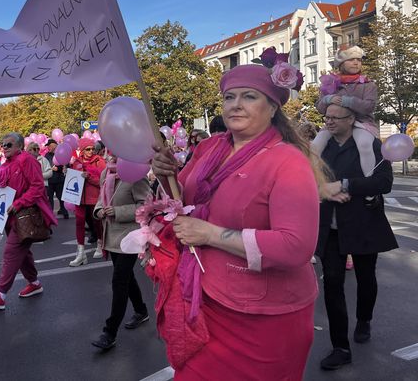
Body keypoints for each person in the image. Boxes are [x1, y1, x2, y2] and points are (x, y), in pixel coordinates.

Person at [151, 59, 322, 380]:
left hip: (265, 319)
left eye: (249, 96)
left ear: (273, 107)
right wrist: (166, 175)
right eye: (229, 97)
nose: (236, 105)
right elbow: (183, 202)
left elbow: (296, 246)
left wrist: (211, 235)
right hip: (207, 301)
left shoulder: (288, 161)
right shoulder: (208, 148)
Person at [316, 103, 396, 370]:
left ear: (351, 119)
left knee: (365, 277)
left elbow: (384, 182)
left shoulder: (370, 145)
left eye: (335, 118)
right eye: (326, 117)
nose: (329, 122)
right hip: (330, 227)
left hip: (362, 222)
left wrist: (346, 184)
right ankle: (340, 346)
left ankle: (364, 319)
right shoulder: (320, 146)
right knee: (333, 283)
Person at [0, 133, 57, 310]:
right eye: (3, 144)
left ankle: (0, 295)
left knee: (11, 252)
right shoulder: (6, 164)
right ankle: (35, 283)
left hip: (24, 215)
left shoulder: (26, 160)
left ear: (19, 146)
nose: (4, 147)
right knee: (23, 254)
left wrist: (19, 203)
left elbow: (37, 187)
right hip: (9, 216)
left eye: (9, 144)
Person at [91, 154, 152, 350]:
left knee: (119, 280)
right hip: (112, 235)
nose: (111, 155)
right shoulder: (106, 173)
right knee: (126, 277)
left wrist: (118, 211)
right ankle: (141, 310)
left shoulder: (135, 174)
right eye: (110, 151)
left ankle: (110, 332)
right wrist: (99, 211)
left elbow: (146, 206)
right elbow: (102, 199)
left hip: (130, 236)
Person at [312, 45, 378, 177]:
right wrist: (327, 99)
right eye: (351, 59)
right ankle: (312, 178)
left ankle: (369, 178)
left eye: (359, 60)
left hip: (362, 122)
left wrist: (347, 101)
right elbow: (320, 108)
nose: (356, 62)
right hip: (335, 123)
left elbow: (369, 106)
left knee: (364, 144)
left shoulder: (368, 84)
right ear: (341, 63)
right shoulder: (330, 83)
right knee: (315, 146)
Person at [69, 137, 106, 266]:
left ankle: (100, 243)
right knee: (79, 223)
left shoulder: (99, 161)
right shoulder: (77, 162)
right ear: (82, 150)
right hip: (79, 198)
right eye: (88, 149)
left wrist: (89, 177)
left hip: (94, 197)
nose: (91, 151)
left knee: (97, 222)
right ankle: (80, 253)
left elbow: (103, 182)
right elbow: (73, 179)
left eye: (93, 149)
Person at [44, 139, 69, 219]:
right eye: (47, 146)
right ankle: (50, 214)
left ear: (53, 145)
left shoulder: (60, 153)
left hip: (59, 180)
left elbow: (65, 164)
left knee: (61, 197)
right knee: (50, 198)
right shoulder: (46, 155)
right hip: (50, 180)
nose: (48, 147)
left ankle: (64, 211)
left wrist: (58, 169)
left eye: (49, 146)